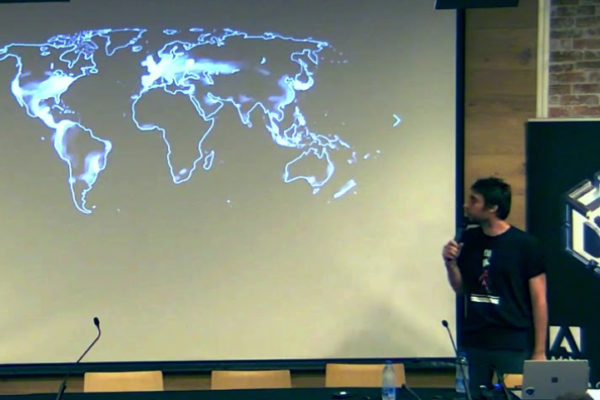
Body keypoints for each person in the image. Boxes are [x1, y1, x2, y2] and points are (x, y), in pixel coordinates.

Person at [442, 177, 548, 398]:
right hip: (475, 341)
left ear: (492, 208)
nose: (466, 205)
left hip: (511, 342)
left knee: (514, 396)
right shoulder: (468, 239)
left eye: (474, 200)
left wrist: (539, 351)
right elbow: (461, 289)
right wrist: (450, 265)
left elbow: (539, 300)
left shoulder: (525, 245)